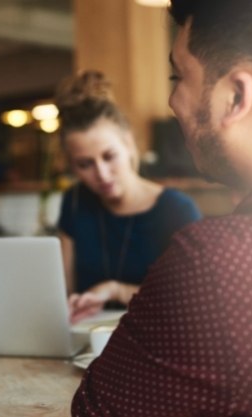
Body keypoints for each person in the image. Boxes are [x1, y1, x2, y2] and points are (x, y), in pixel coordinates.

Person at [72, 1, 252, 415]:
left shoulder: (218, 261)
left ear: (236, 96)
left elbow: (95, 410)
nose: (171, 102)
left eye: (178, 76)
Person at [55, 70, 201, 323]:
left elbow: (194, 299)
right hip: (86, 337)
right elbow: (62, 290)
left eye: (109, 156)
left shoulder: (177, 210)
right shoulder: (75, 200)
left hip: (156, 338)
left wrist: (117, 290)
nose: (101, 174)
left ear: (129, 144)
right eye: (84, 164)